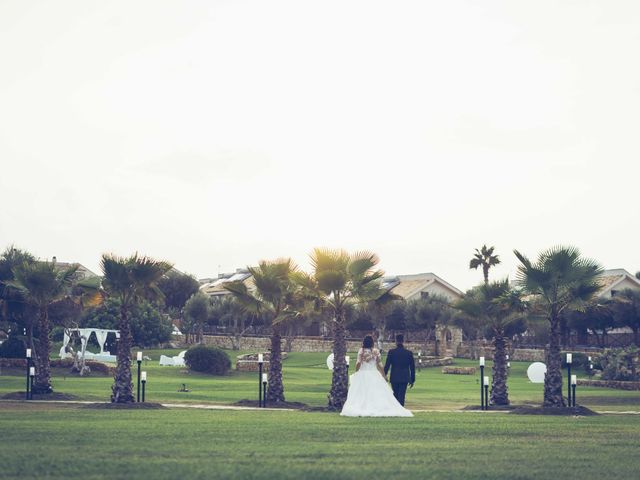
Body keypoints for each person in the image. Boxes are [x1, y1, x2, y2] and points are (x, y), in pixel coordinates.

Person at [340, 335, 413, 417]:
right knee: (375, 392)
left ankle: (363, 407)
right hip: (374, 373)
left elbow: (358, 363)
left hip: (363, 374)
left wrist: (357, 371)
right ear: (372, 343)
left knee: (361, 392)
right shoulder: (375, 351)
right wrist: (384, 375)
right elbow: (380, 365)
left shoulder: (361, 351)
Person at [383, 334, 416, 407]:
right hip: (404, 376)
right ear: (403, 341)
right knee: (402, 395)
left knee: (395, 394)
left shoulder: (391, 352)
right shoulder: (409, 353)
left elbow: (387, 365)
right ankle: (401, 409)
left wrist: (383, 375)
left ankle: (395, 409)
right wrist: (412, 379)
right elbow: (412, 367)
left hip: (394, 375)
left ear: (396, 341)